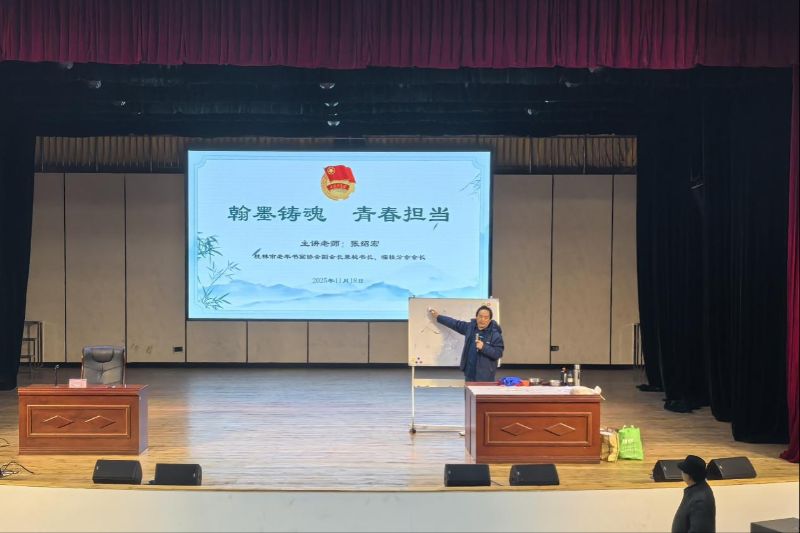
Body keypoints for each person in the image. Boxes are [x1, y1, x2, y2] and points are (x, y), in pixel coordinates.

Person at [428, 305, 504, 382]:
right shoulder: (470, 328)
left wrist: (483, 347)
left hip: (485, 376)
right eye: (480, 316)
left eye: (486, 317)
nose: (482, 319)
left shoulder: (495, 334)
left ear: (490, 320)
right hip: (469, 373)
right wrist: (438, 317)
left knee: (482, 390)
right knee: (469, 390)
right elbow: (454, 323)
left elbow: (498, 353)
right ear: (476, 317)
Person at [671, 454, 716, 533]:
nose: (681, 473)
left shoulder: (700, 500)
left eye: (683, 471)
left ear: (689, 475)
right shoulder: (696, 489)